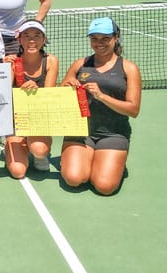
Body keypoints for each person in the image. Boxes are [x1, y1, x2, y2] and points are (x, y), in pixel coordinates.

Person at [60, 17, 141, 195]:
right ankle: (84, 159)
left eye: (105, 38)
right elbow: (60, 94)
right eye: (94, 38)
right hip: (80, 132)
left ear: (116, 37)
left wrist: (102, 96)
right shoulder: (80, 64)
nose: (99, 43)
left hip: (113, 133)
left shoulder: (129, 68)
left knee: (104, 187)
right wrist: (67, 85)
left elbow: (133, 110)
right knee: (74, 178)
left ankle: (110, 162)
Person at [4, 20, 59, 178]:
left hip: (38, 118)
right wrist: (5, 69)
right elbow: (5, 94)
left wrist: (36, 90)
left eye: (37, 36)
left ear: (44, 39)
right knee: (18, 171)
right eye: (27, 36)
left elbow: (48, 95)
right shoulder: (12, 61)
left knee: (39, 150)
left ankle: (35, 149)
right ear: (19, 39)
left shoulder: (51, 61)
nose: (32, 40)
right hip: (17, 119)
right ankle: (13, 142)